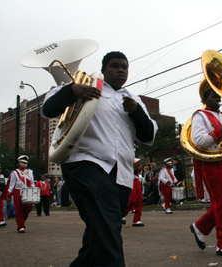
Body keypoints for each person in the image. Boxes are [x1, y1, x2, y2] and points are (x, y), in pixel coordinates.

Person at [41, 51, 158, 267]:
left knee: (101, 234)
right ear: (104, 70)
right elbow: (47, 109)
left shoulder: (134, 99)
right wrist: (71, 90)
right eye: (115, 66)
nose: (121, 70)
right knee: (108, 233)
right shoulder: (82, 85)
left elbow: (149, 136)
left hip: (121, 173)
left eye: (124, 66)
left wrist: (136, 112)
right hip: (86, 165)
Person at [189, 88, 222, 257]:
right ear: (205, 100)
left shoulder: (221, 116)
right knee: (220, 202)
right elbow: (200, 140)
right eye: (213, 97)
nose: (218, 99)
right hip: (209, 160)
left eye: (219, 96)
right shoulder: (200, 115)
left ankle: (201, 227)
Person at [7, 155, 35, 233]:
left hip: (28, 191)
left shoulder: (30, 171)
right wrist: (9, 194)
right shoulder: (14, 172)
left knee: (28, 209)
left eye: (25, 163)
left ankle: (21, 220)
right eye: (22, 162)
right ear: (19, 163)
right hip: (18, 191)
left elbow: (32, 183)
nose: (24, 164)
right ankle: (21, 226)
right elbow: (12, 184)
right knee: (19, 208)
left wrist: (34, 191)